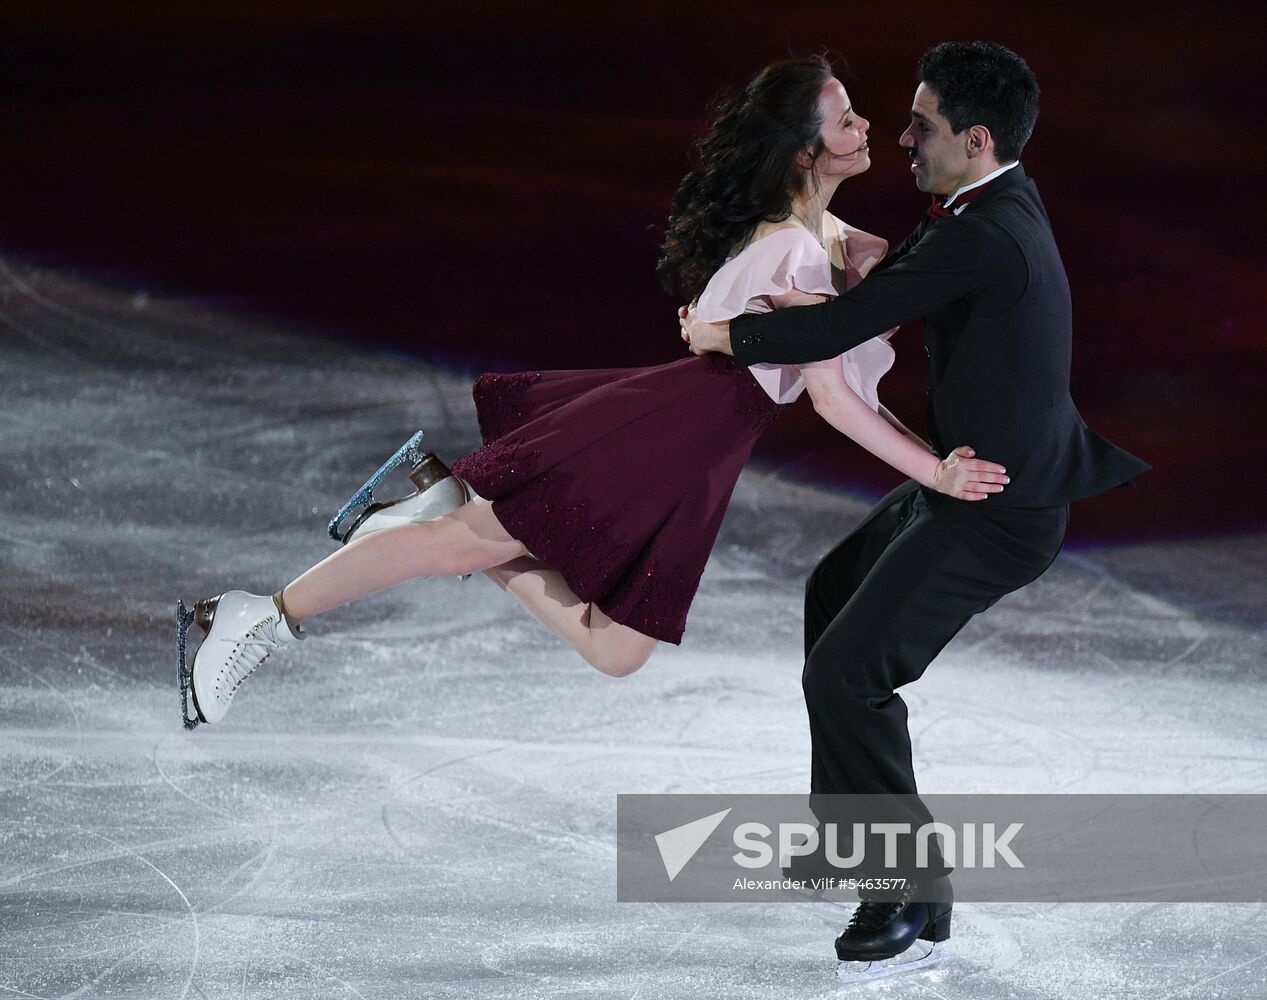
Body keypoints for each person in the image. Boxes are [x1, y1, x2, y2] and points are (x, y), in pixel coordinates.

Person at [176, 56, 1006, 739]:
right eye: (847, 120)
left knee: (615, 650)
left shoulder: (820, 236)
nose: (868, 130)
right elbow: (832, 399)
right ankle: (257, 615)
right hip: (676, 426)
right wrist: (932, 474)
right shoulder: (792, 248)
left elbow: (869, 287)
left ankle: (447, 504)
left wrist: (868, 273)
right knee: (461, 544)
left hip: (705, 444)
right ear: (803, 153)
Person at [681, 41, 1150, 973]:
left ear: (976, 139)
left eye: (921, 125)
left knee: (848, 676)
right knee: (829, 594)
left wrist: (717, 330)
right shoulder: (991, 201)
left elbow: (833, 333)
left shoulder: (982, 229)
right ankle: (854, 838)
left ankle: (905, 885)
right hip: (971, 473)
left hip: (996, 506)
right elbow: (899, 294)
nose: (900, 137)